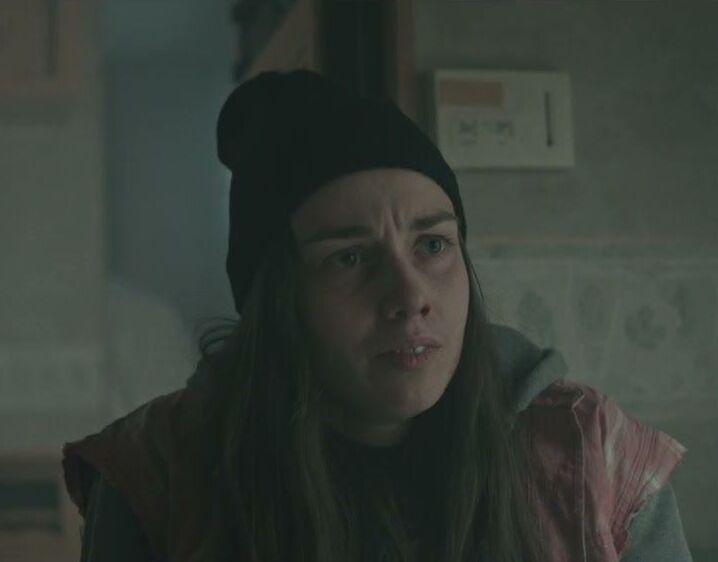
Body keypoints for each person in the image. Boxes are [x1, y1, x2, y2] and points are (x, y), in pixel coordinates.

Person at [62, 69, 693, 562]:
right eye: (350, 258)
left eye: (433, 245)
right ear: (275, 301)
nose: (410, 295)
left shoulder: (593, 458)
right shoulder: (160, 478)